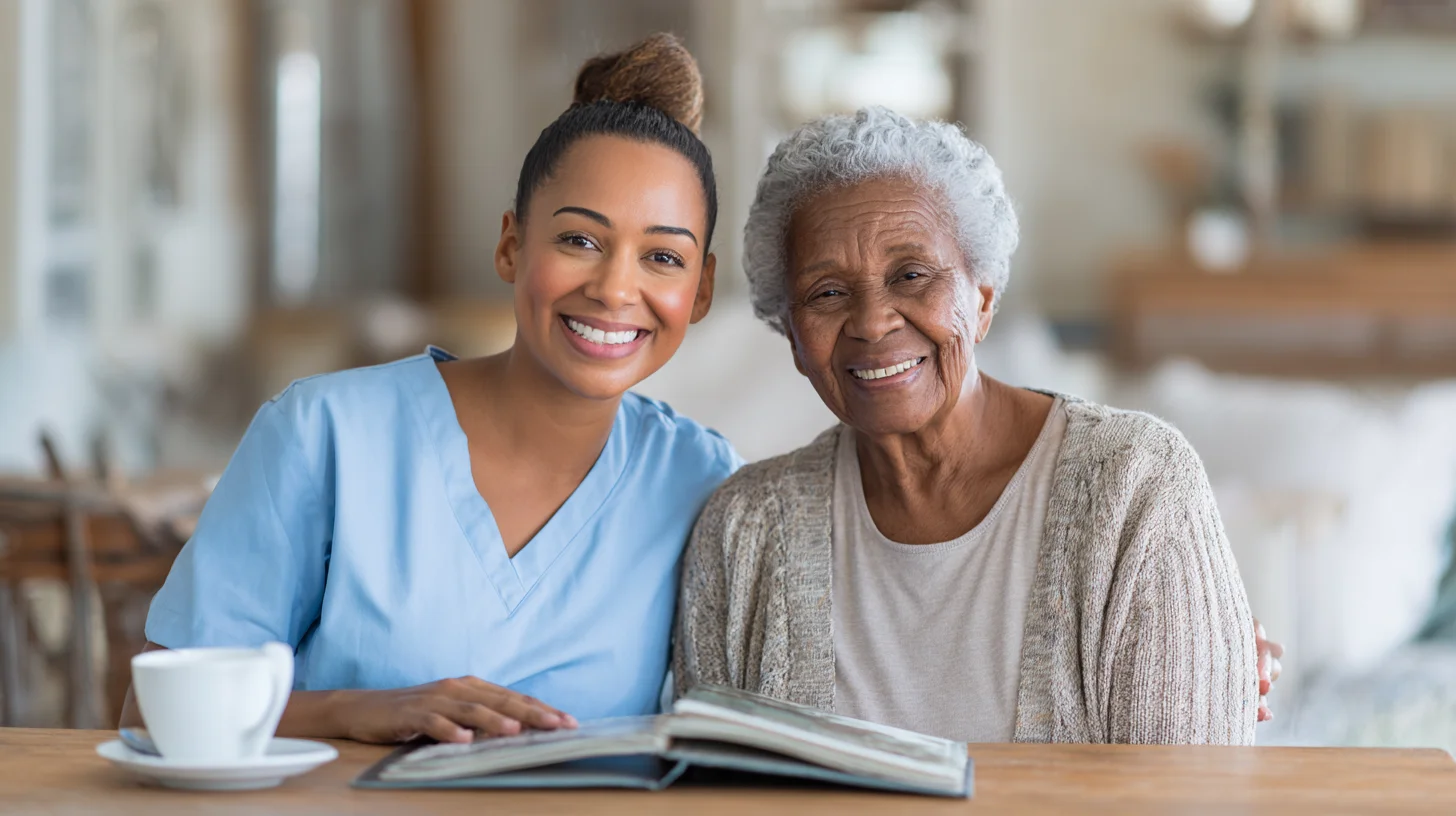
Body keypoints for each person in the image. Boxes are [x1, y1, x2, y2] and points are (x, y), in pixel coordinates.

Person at [121, 34, 739, 745]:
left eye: (663, 257)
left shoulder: (704, 486)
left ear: (701, 291)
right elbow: (152, 716)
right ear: (511, 245)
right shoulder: (323, 436)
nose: (615, 289)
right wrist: (357, 712)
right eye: (580, 241)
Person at [674, 106, 1273, 744]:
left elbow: (1188, 795)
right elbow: (711, 792)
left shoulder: (1136, 485)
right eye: (826, 292)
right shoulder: (743, 531)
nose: (873, 322)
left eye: (912, 275)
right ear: (792, 336)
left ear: (982, 299)